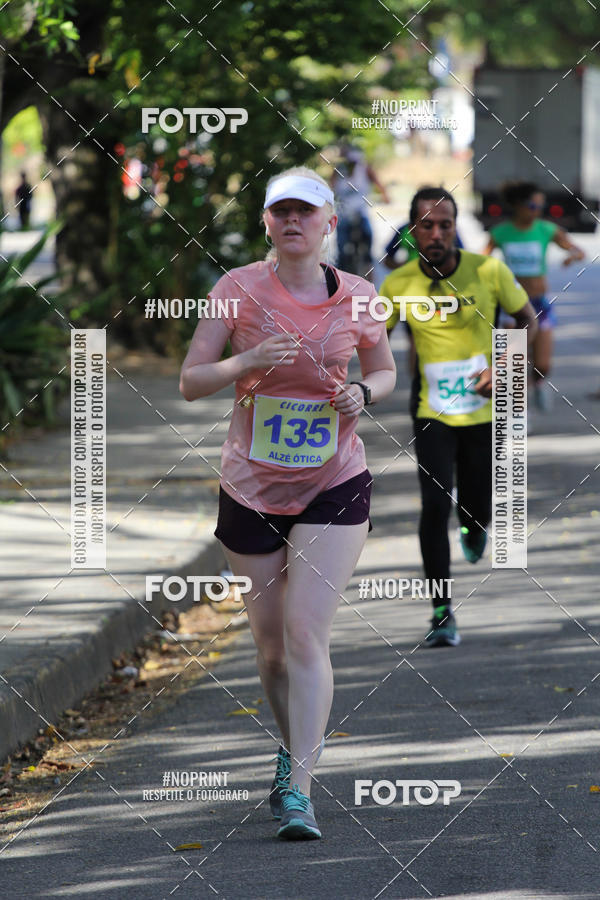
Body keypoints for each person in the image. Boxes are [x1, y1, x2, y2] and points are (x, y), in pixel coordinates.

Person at [179, 166, 396, 839]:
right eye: (282, 212)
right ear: (267, 223)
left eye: (306, 212)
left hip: (334, 481)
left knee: (305, 632)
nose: (293, 221)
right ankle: (291, 748)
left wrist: (365, 393)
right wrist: (245, 363)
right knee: (271, 650)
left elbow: (385, 369)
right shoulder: (236, 289)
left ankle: (300, 788)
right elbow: (191, 381)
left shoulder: (360, 297)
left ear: (330, 222)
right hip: (252, 487)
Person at [380, 186, 537, 648]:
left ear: (455, 228)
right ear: (412, 231)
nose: (436, 234)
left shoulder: (488, 271)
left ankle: (476, 524)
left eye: (445, 225)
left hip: (485, 408)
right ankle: (441, 611)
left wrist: (503, 367)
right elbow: (373, 342)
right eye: (426, 225)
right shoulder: (398, 284)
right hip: (431, 409)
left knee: (476, 501)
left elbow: (527, 319)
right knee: (434, 505)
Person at [484, 181, 585, 411]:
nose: (537, 210)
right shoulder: (500, 233)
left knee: (543, 364)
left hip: (540, 304)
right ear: (517, 206)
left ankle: (538, 382)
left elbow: (577, 250)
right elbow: (481, 260)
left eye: (540, 206)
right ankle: (519, 412)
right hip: (514, 307)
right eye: (532, 205)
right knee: (514, 363)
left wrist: (572, 256)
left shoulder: (546, 229)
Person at [330, 145, 390, 278]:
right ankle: (340, 276)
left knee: (368, 234)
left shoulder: (365, 169)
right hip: (344, 213)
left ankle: (369, 267)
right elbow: (330, 186)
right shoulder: (338, 171)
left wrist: (385, 196)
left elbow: (378, 183)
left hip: (361, 211)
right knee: (341, 245)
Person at [383, 219, 463, 269]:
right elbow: (387, 259)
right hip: (412, 282)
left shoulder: (448, 229)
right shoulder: (404, 229)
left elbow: (461, 257)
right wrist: (404, 268)